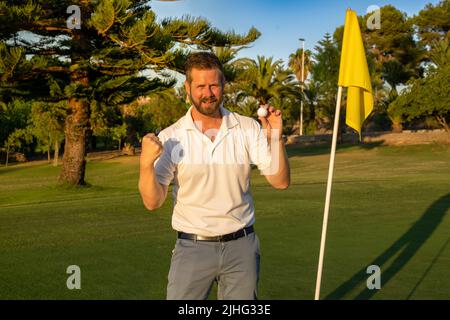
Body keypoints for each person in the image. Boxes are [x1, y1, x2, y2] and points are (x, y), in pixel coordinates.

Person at [138, 51, 290, 300]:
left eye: (213, 85)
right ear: (187, 88)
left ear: (223, 86)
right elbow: (153, 202)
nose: (208, 93)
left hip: (242, 246)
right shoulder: (171, 137)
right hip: (192, 247)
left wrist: (276, 136)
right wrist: (145, 164)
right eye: (200, 86)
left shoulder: (247, 127)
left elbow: (280, 181)